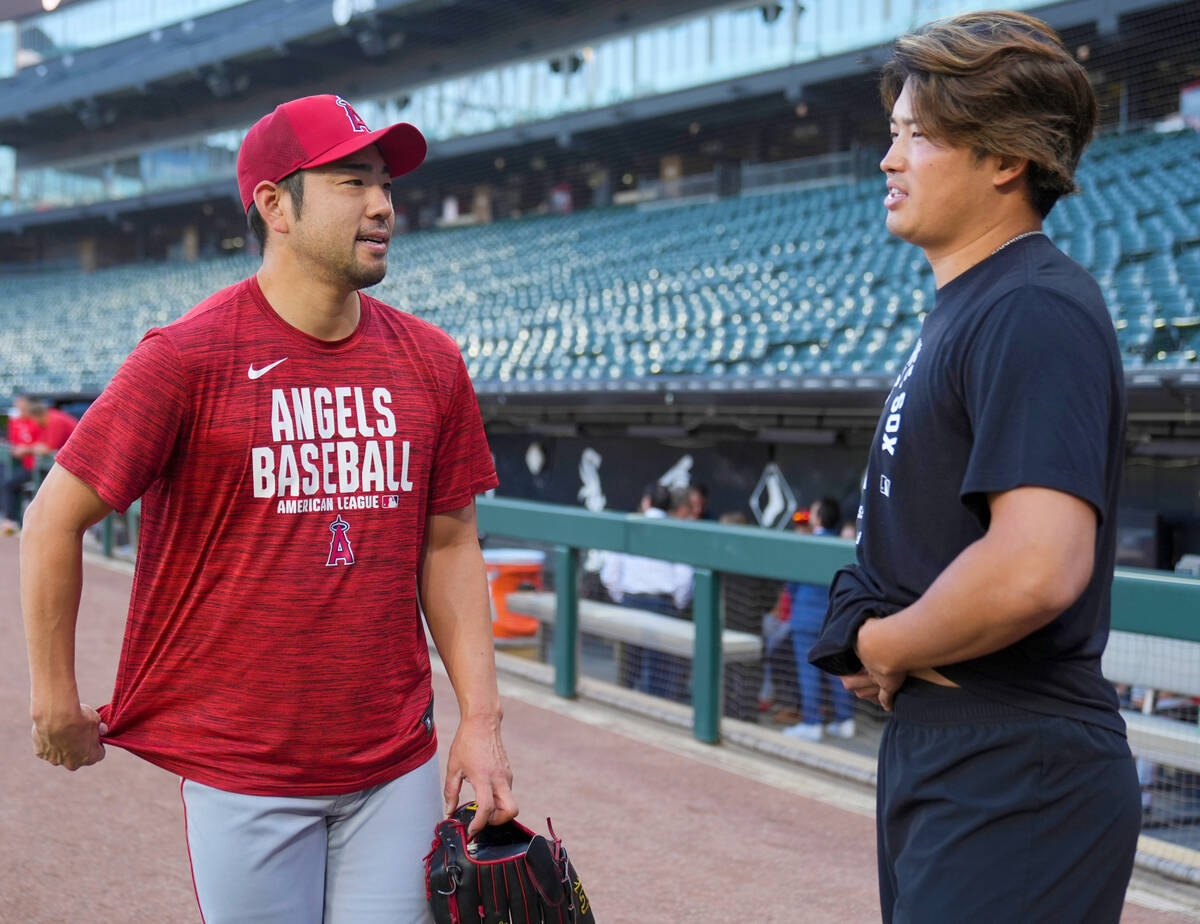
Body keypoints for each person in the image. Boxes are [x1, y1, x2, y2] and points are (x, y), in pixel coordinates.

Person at [21, 94, 516, 924]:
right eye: (353, 181)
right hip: (243, 767)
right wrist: (52, 697)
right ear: (274, 205)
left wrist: (482, 719)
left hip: (393, 759)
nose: (384, 205)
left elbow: (450, 542)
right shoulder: (185, 357)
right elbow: (52, 518)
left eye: (386, 183)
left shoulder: (431, 361)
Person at [808, 12, 1140, 923]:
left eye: (918, 135)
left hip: (1015, 761)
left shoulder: (1033, 307)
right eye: (892, 133)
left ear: (1004, 159)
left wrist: (879, 647)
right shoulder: (971, 305)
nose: (889, 158)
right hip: (956, 744)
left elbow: (1036, 568)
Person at [601, 483, 694, 699]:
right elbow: (685, 579)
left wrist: (622, 598)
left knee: (628, 674)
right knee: (658, 677)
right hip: (663, 606)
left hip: (631, 604)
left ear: (647, 502)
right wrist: (676, 605)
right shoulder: (677, 530)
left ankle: (624, 715)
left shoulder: (630, 525)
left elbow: (609, 576)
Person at [781, 497, 856, 741]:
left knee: (808, 671)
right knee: (836, 669)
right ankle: (845, 720)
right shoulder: (841, 544)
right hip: (833, 619)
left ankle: (812, 722)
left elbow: (791, 584)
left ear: (819, 518)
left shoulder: (808, 543)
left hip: (805, 617)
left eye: (812, 513)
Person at [3, 396, 77, 534]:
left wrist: (27, 449)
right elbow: (41, 446)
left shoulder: (54, 420)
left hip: (76, 467)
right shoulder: (48, 421)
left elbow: (46, 449)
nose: (33, 423)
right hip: (61, 467)